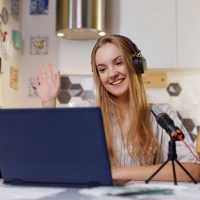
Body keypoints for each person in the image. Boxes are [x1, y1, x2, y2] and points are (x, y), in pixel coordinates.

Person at [36, 34, 200, 182]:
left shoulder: (161, 115)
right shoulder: (86, 113)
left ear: (136, 65)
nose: (112, 74)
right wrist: (48, 104)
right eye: (102, 69)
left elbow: (192, 170)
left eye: (119, 63)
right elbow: (51, 161)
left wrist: (118, 173)